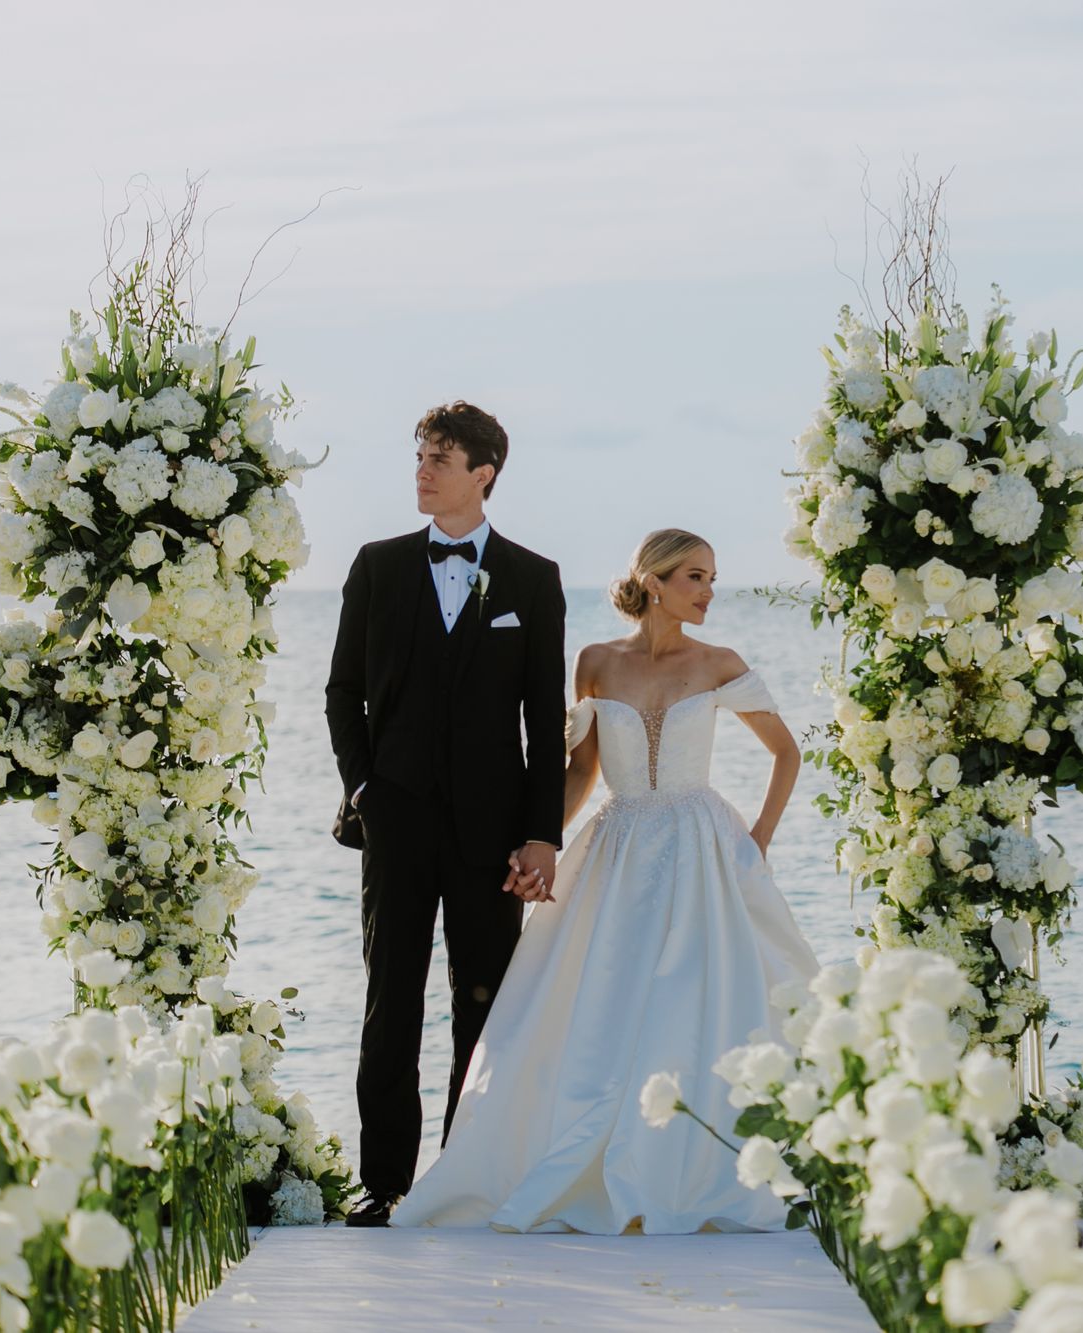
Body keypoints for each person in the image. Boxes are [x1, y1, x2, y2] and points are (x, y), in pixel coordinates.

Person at [390, 528, 822, 1233]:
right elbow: (584, 771)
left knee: (695, 997)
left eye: (712, 578)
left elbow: (785, 752)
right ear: (653, 581)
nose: (709, 592)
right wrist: (538, 844)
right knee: (599, 999)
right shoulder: (595, 662)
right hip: (618, 845)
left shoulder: (720, 663)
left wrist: (760, 838)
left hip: (701, 846)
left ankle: (692, 1165)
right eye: (695, 577)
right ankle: (585, 1156)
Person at [323, 401, 568, 1227]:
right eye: (420, 456)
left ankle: (465, 1171)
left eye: (440, 458)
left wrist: (543, 835)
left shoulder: (534, 579)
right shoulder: (377, 566)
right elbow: (341, 693)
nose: (422, 471)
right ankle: (383, 1179)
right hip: (392, 826)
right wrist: (363, 791)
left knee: (484, 1001)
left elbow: (545, 719)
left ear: (483, 474)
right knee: (391, 1001)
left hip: (491, 834)